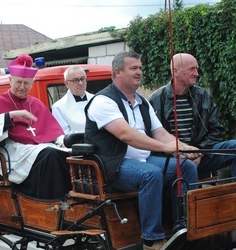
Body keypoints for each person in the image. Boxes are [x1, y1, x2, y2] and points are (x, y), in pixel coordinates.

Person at [84, 51, 199, 250]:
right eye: (134, 68)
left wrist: (185, 148)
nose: (139, 72)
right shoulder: (103, 101)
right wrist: (166, 148)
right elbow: (126, 135)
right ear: (118, 72)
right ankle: (152, 240)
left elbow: (160, 133)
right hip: (113, 165)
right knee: (151, 174)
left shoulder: (142, 102)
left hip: (143, 161)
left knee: (186, 166)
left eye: (140, 68)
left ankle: (185, 226)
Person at [0, 54, 72, 199]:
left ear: (32, 84)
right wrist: (11, 115)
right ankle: (48, 201)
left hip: (37, 148)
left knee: (68, 154)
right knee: (49, 155)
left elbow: (53, 132)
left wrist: (67, 141)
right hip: (12, 152)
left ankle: (66, 198)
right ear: (10, 80)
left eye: (27, 83)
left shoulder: (36, 104)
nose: (22, 87)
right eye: (18, 82)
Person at [148, 53, 236, 181]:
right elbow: (152, 137)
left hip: (202, 154)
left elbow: (217, 131)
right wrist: (180, 153)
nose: (197, 73)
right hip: (171, 159)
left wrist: (199, 152)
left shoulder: (203, 96)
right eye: (192, 69)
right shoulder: (156, 99)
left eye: (197, 69)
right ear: (175, 71)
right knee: (184, 168)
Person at [51, 65, 93, 137]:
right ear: (67, 84)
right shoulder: (59, 107)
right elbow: (64, 134)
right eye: (75, 80)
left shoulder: (96, 99)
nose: (80, 83)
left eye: (82, 79)